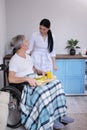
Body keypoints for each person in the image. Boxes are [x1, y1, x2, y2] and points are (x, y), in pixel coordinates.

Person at [9, 35, 74, 130]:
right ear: (22, 45)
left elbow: (32, 69)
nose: (28, 42)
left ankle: (61, 115)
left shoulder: (27, 56)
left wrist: (40, 72)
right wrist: (27, 79)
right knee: (43, 92)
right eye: (26, 41)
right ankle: (49, 121)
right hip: (25, 84)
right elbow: (11, 79)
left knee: (57, 84)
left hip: (35, 78)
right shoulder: (14, 60)